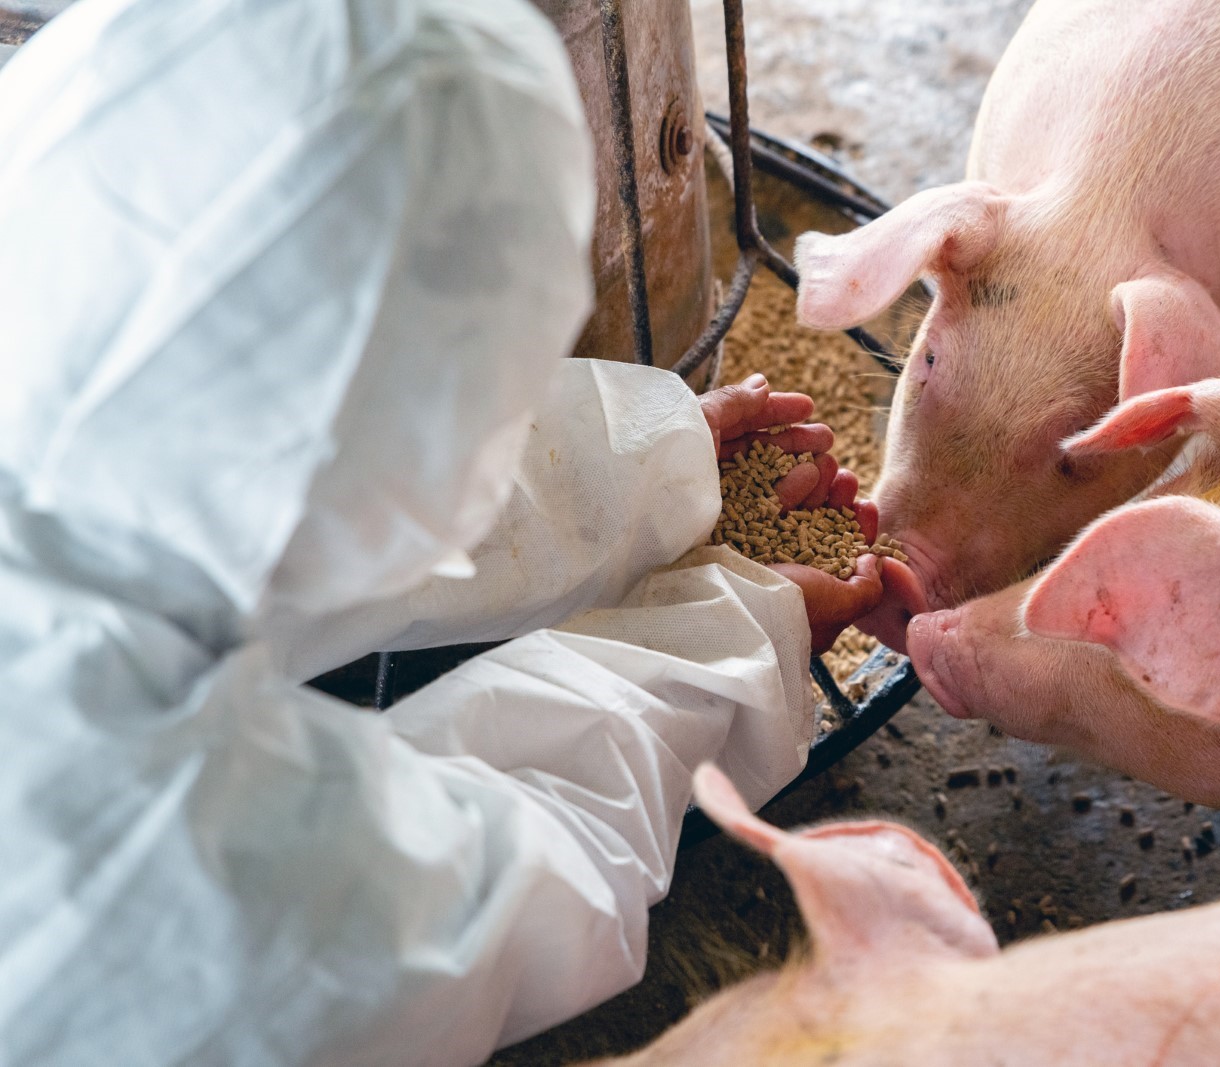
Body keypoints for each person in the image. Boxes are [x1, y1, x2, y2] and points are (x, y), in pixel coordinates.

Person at [0, 0, 883, 1063]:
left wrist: (627, 463)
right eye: (477, 399)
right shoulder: (148, 874)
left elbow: (217, 440)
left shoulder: (65, 306)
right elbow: (486, 905)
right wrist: (731, 645)